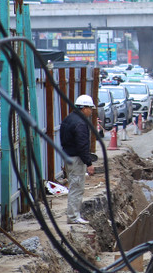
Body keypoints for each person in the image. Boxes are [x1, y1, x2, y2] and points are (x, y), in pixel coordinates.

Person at [60, 94, 98, 225]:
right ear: (84, 108)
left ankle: (74, 215)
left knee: (73, 186)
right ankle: (73, 217)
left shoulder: (68, 119)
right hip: (76, 159)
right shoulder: (80, 123)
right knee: (77, 187)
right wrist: (89, 163)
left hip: (68, 157)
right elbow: (82, 145)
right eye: (90, 108)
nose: (91, 111)